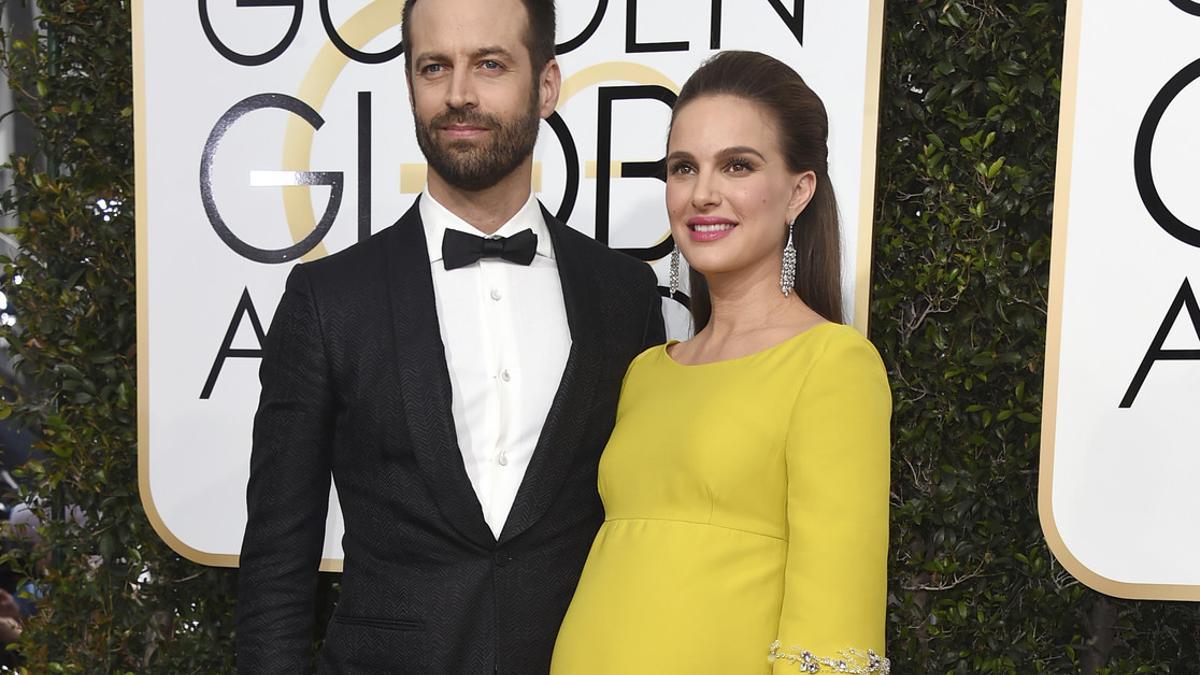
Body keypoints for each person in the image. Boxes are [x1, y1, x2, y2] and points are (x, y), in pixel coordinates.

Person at [235, 0, 665, 671]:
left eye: (490, 64)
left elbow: (646, 523)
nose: (459, 94)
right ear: (410, 82)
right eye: (434, 66)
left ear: (546, 84)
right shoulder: (327, 301)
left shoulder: (624, 295)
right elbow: (276, 560)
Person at [551, 51, 891, 674]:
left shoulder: (833, 365)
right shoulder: (647, 371)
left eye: (737, 165)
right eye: (684, 168)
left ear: (798, 190)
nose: (703, 193)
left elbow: (837, 624)